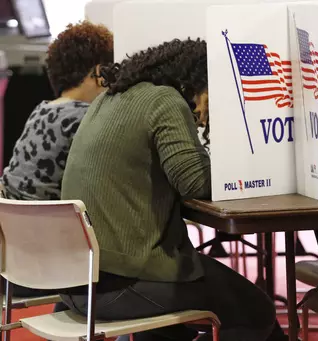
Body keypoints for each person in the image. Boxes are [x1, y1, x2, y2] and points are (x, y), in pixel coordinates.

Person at [60, 38, 288, 341]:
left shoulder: (109, 99)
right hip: (119, 284)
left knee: (171, 331)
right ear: (201, 79)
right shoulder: (164, 101)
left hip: (76, 280)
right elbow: (194, 182)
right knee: (256, 308)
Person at [0, 21, 113, 303]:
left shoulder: (39, 111)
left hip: (16, 265)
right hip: (62, 268)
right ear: (98, 72)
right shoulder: (88, 120)